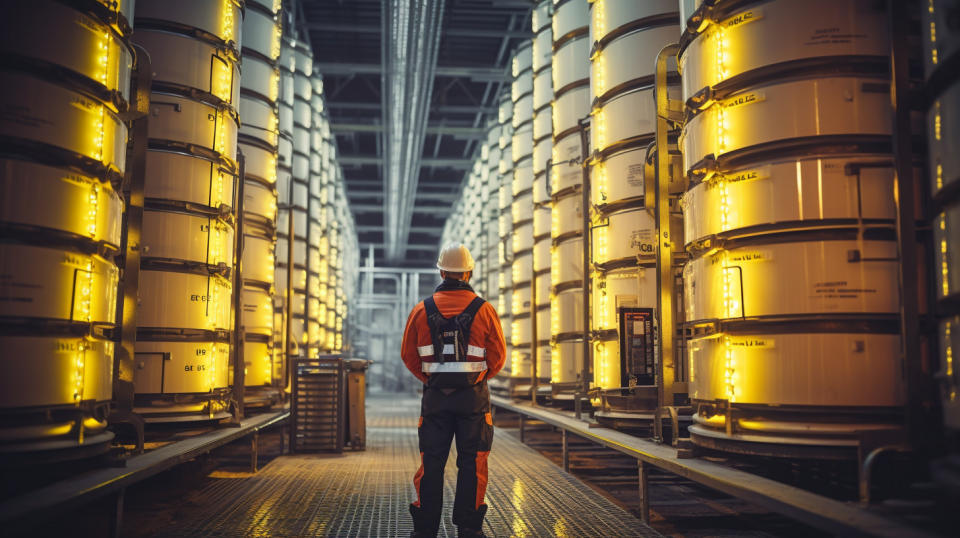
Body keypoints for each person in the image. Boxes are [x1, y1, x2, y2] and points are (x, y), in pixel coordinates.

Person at [401, 243, 506, 538]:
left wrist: (433, 379)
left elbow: (408, 355)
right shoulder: (484, 310)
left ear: (442, 271)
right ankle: (470, 528)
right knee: (473, 463)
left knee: (431, 462)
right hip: (473, 401)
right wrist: (476, 378)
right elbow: (498, 357)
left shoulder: (421, 310)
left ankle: (425, 529)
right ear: (468, 272)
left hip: (435, 400)